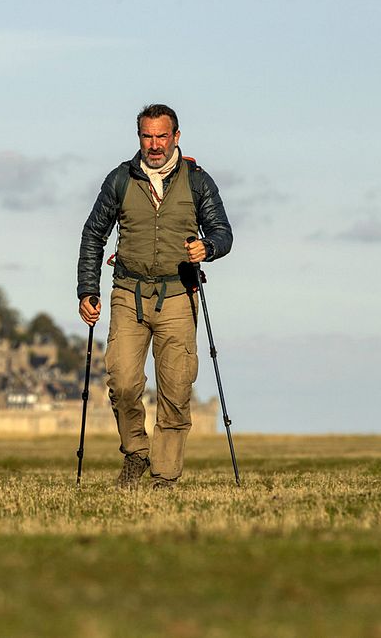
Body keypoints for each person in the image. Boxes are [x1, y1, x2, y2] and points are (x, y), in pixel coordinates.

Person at [77, 103, 232, 489]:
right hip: (128, 292)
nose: (155, 144)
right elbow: (93, 234)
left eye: (162, 136)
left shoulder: (198, 181)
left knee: (176, 388)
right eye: (148, 136)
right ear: (139, 138)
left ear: (176, 137)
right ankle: (136, 453)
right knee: (124, 382)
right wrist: (87, 290)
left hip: (179, 293)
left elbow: (222, 231)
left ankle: (165, 475)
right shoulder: (120, 179)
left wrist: (207, 247)